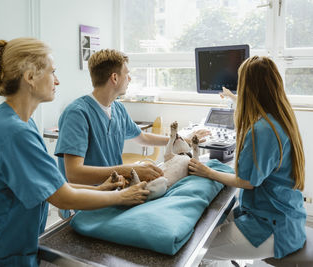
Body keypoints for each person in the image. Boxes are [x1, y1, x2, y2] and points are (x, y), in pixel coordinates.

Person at [0, 38, 149, 267]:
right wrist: (121, 196)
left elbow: (53, 186)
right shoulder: (14, 132)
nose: (57, 81)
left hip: (1, 250)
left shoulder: (18, 121)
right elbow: (62, 197)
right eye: (53, 72)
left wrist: (100, 188)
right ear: (30, 77)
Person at [189, 56, 306, 262]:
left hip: (272, 228)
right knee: (208, 227)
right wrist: (234, 98)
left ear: (248, 88)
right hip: (284, 217)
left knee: (193, 250)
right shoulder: (280, 117)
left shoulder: (262, 130)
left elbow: (247, 182)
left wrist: (206, 171)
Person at [55, 49, 208, 186]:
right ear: (114, 78)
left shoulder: (118, 108)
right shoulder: (77, 114)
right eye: (127, 74)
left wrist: (181, 139)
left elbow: (142, 138)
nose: (130, 79)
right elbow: (74, 174)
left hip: (115, 191)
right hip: (87, 201)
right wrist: (129, 170)